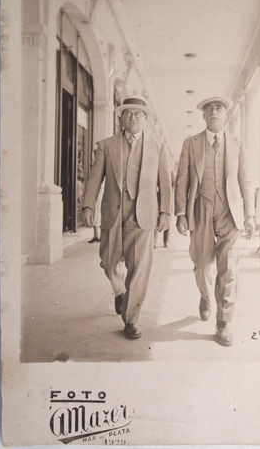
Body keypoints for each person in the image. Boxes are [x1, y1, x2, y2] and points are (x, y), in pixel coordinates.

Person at [82, 96, 172, 339]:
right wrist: (88, 206)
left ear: (145, 119)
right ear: (121, 118)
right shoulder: (106, 145)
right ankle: (120, 289)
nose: (133, 118)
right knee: (109, 263)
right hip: (113, 212)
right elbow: (94, 179)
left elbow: (165, 182)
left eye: (138, 114)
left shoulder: (158, 147)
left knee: (140, 268)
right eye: (128, 114)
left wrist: (166, 211)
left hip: (143, 216)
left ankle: (131, 319)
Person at [175, 96, 255, 346]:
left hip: (230, 212)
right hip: (200, 208)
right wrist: (180, 213)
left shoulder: (238, 144)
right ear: (203, 115)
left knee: (228, 267)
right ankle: (205, 296)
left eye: (218, 108)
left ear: (225, 114)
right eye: (208, 109)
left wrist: (250, 214)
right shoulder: (191, 143)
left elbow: (246, 181)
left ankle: (223, 322)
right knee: (201, 263)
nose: (213, 112)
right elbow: (182, 180)